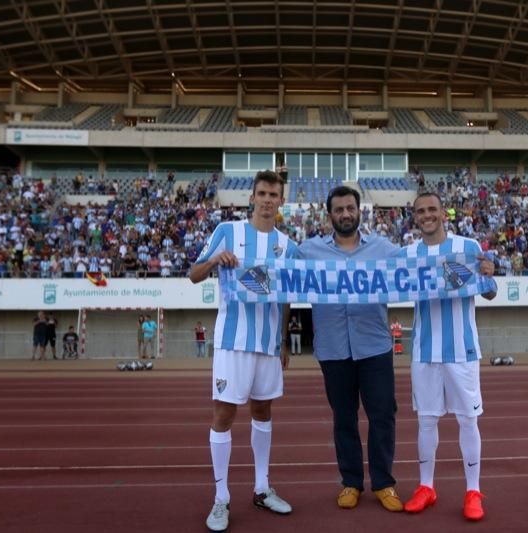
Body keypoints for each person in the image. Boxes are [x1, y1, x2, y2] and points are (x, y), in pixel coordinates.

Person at [189, 169, 297, 532]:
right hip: (232, 341)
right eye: (262, 193)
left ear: (282, 201)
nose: (268, 199)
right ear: (252, 197)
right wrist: (217, 260)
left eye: (274, 194)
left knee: (263, 410)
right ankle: (221, 498)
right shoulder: (227, 232)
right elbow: (193, 274)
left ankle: (262, 488)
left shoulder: (287, 245)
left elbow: (284, 298)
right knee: (224, 413)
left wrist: (282, 340)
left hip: (267, 345)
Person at [296, 186, 403, 512]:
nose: (345, 214)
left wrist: (469, 262)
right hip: (333, 350)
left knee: (382, 417)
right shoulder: (307, 251)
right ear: (329, 215)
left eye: (350, 208)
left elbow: (420, 267)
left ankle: (384, 483)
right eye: (339, 210)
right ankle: (351, 483)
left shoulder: (384, 249)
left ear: (359, 212)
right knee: (344, 419)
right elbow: (272, 271)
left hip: (375, 347)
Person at [399, 192, 496, 521]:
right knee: (426, 420)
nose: (426, 215)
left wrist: (487, 271)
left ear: (443, 213)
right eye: (420, 211)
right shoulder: (407, 253)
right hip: (424, 350)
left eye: (432, 209)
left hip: (461, 350)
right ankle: (426, 486)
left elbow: (491, 291)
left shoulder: (467, 247)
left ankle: (473, 490)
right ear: (414, 217)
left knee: (468, 420)